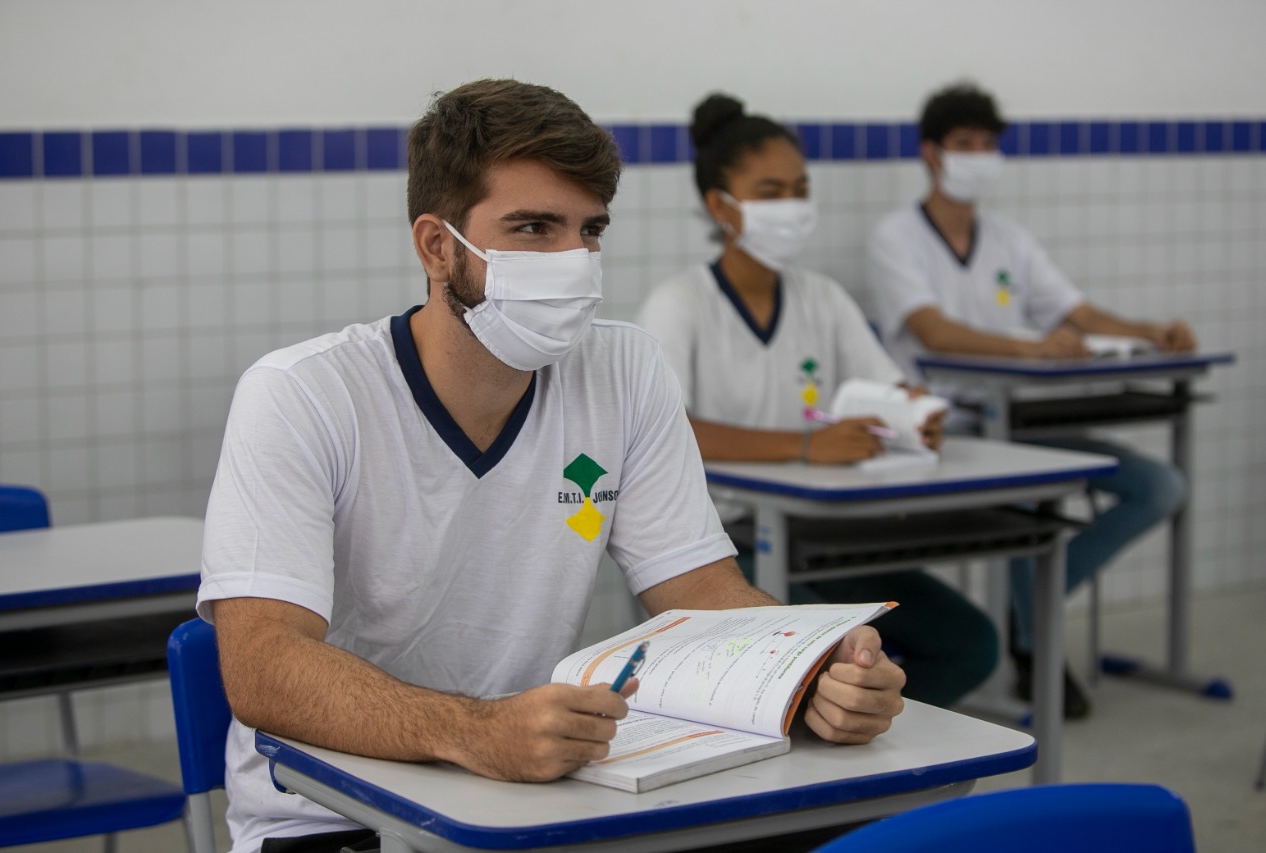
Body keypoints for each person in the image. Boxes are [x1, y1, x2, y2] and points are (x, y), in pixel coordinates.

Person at [198, 79, 906, 853]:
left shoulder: (625, 369)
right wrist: (474, 730)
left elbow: (702, 590)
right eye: (533, 227)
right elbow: (263, 665)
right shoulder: (302, 394)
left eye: (589, 230)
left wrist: (810, 668)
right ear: (437, 246)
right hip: (334, 818)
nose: (572, 260)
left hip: (538, 800)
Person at [635, 93, 997, 710]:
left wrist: (915, 416)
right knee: (819, 665)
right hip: (731, 549)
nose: (791, 207)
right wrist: (805, 446)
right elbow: (668, 431)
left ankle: (871, 732)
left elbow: (889, 386)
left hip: (829, 533)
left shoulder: (822, 298)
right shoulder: (680, 304)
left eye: (800, 190)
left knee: (970, 644)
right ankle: (836, 728)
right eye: (770, 192)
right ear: (721, 206)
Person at [868, 81, 1193, 718]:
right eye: (966, 143)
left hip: (1019, 420)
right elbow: (933, 332)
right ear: (931, 152)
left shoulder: (1008, 238)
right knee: (1025, 495)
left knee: (1160, 486)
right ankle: (1033, 644)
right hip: (951, 430)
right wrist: (1031, 348)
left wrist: (1151, 332)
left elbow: (1076, 312)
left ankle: (1027, 616)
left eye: (989, 144)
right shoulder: (896, 237)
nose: (980, 156)